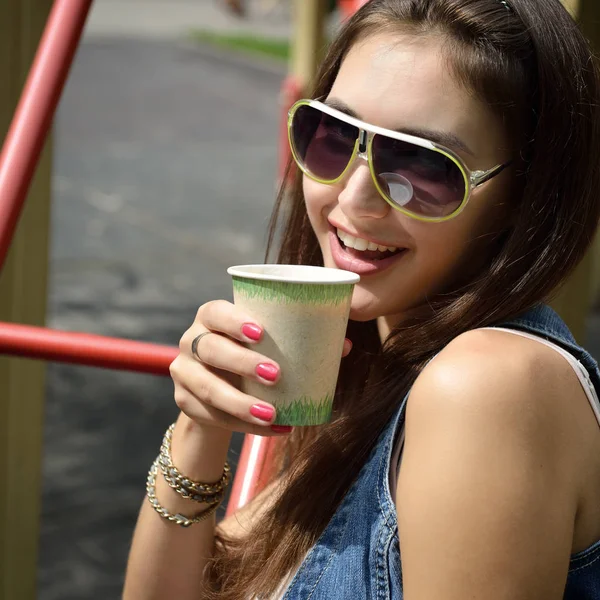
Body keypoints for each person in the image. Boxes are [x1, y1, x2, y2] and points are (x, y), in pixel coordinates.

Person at [123, 0, 600, 597]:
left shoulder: (485, 388)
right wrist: (199, 430)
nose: (352, 197)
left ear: (522, 198)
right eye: (332, 136)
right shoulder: (360, 375)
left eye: (422, 167)